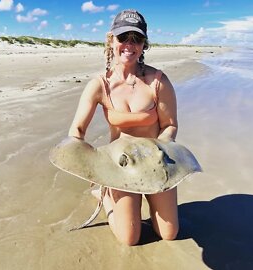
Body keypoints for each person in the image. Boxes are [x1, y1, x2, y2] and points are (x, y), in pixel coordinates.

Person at [68, 9, 179, 246]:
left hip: (156, 162)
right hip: (121, 165)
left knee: (169, 234)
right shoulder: (99, 85)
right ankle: (105, 194)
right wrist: (91, 165)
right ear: (111, 40)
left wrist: (161, 150)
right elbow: (76, 131)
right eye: (123, 37)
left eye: (136, 38)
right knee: (130, 239)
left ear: (144, 44)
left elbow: (170, 125)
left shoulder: (158, 81)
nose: (129, 44)